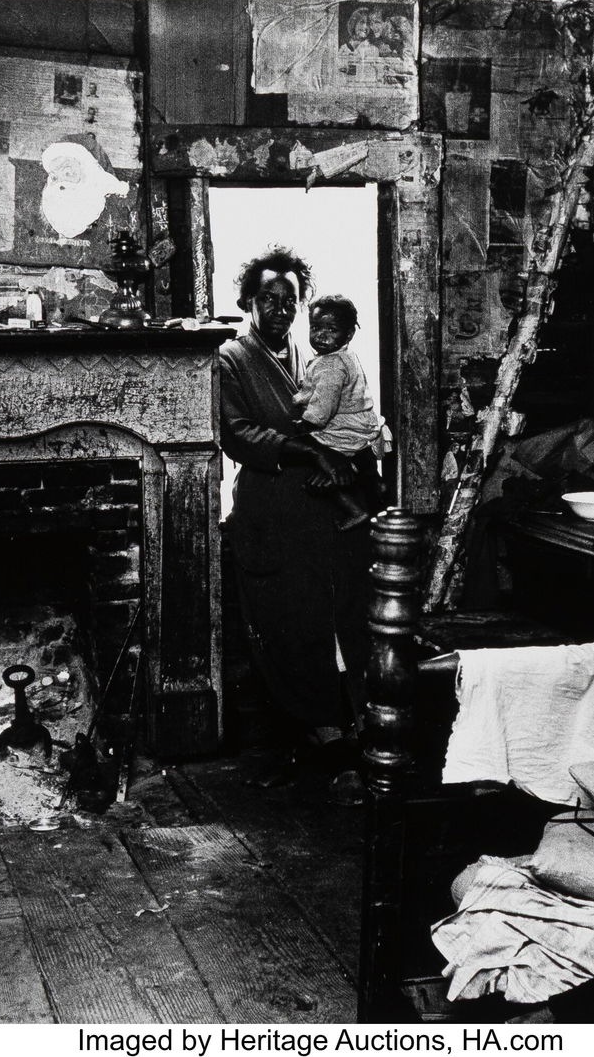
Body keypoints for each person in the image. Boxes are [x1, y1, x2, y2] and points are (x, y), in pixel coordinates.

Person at [218, 246, 375, 800]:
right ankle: (310, 737)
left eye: (289, 301)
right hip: (271, 511)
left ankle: (347, 733)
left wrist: (348, 454)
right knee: (286, 624)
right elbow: (236, 433)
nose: (280, 309)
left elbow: (341, 416)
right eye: (269, 298)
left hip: (322, 510)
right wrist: (309, 451)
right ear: (248, 301)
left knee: (336, 619)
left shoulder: (315, 357)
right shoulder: (232, 359)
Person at [292, 295, 386, 531]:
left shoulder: (331, 365)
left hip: (342, 432)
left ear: (349, 334)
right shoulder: (345, 356)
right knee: (366, 475)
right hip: (361, 429)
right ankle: (376, 489)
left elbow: (323, 407)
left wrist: (305, 425)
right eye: (315, 327)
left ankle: (355, 511)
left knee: (321, 467)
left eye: (331, 329)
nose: (321, 336)